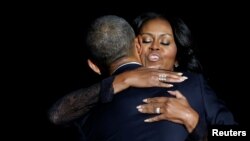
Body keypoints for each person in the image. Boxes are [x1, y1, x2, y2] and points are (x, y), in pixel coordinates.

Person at [49, 13, 236, 141]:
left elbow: (238, 134)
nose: (155, 46)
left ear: (178, 59)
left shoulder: (194, 86)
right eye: (147, 40)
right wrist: (124, 79)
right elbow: (58, 114)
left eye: (165, 42)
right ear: (136, 46)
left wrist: (193, 120)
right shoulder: (96, 100)